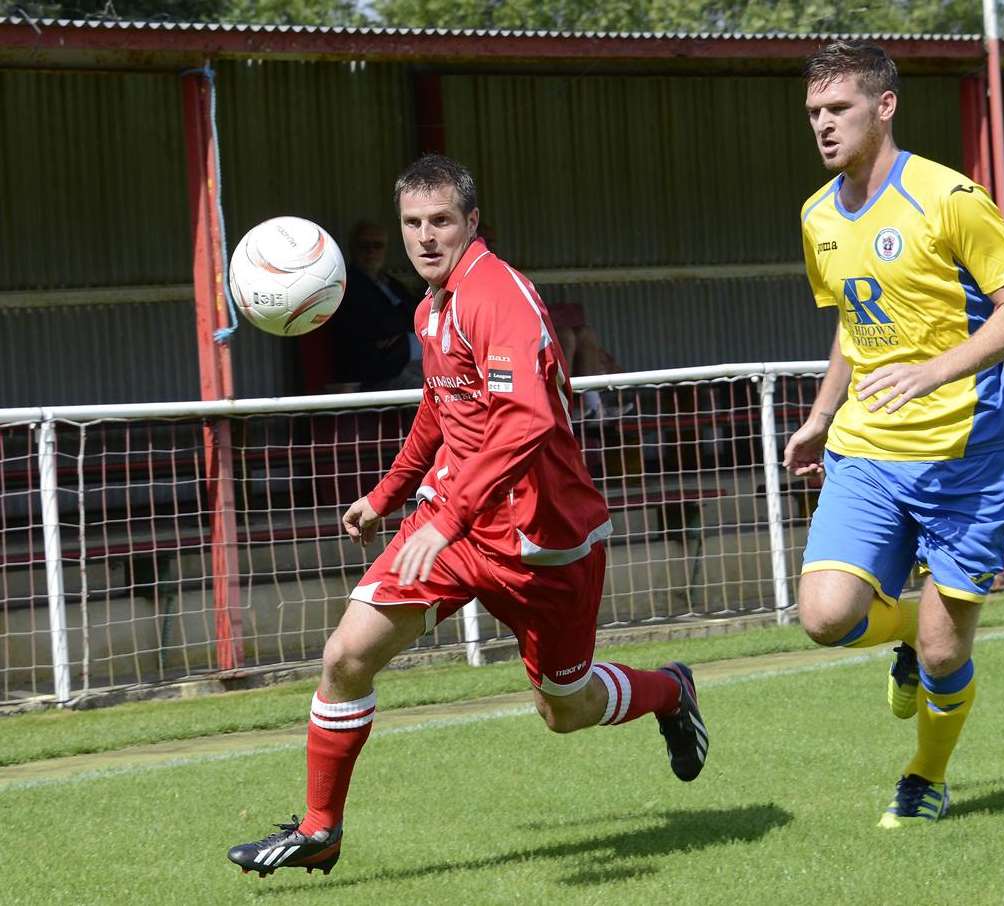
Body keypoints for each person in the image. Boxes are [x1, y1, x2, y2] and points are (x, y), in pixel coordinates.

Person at [227, 154, 709, 878]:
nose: (425, 237)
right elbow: (439, 408)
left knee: (564, 709)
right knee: (345, 657)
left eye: (441, 221)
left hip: (542, 542)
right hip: (452, 525)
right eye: (413, 223)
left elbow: (530, 419)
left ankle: (671, 690)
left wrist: (447, 518)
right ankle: (320, 829)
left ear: (471, 223)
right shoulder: (430, 306)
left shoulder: (497, 296)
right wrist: (389, 495)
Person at [784, 41, 1004, 828]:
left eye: (838, 109)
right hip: (866, 447)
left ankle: (925, 776)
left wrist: (936, 372)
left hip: (968, 454)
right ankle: (900, 632)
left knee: (943, 654)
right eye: (813, 114)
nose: (823, 126)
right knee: (825, 618)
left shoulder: (949, 197)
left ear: (884, 106)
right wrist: (821, 415)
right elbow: (851, 326)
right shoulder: (817, 214)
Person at [327, 220, 425, 391]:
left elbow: (418, 314)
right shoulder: (345, 286)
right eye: (364, 246)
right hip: (376, 373)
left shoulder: (390, 282)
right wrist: (401, 332)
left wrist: (400, 333)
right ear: (352, 248)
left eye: (377, 246)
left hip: (408, 361)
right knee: (434, 390)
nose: (371, 251)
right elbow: (376, 327)